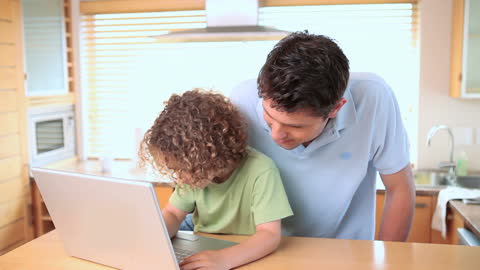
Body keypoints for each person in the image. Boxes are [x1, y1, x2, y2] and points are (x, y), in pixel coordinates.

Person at [230, 31, 415, 241]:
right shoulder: (241, 100)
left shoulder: (374, 97)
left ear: (335, 109)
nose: (276, 135)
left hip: (347, 251)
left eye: (295, 126)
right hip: (264, 247)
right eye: (269, 118)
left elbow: (400, 188)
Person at [139, 89, 293, 270]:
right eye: (175, 169)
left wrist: (225, 259)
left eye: (183, 169)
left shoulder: (261, 170)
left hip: (244, 255)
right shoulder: (194, 174)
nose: (179, 177)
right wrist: (156, 239)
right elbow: (173, 213)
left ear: (210, 157)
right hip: (202, 246)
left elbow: (269, 235)